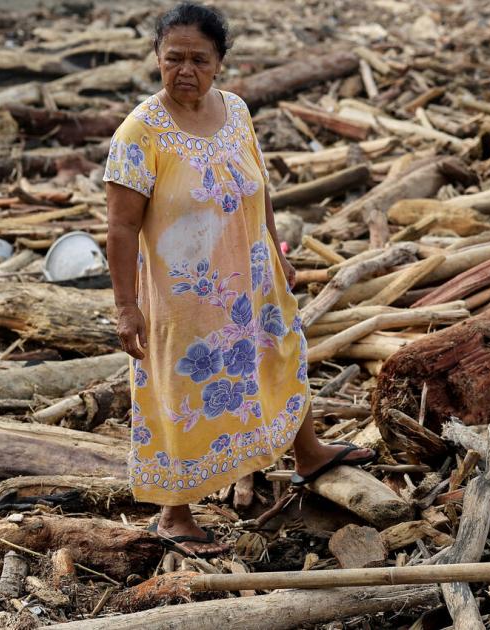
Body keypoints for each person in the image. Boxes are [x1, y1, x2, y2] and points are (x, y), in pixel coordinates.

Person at [103, 2, 377, 556]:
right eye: (173, 57)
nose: (185, 69)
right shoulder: (139, 133)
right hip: (187, 297)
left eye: (198, 59)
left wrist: (275, 249)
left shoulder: (235, 112)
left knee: (281, 354)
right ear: (156, 58)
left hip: (251, 277)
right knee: (179, 391)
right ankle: (174, 512)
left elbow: (259, 188)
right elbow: (120, 227)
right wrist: (126, 307)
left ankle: (308, 454)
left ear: (220, 62)